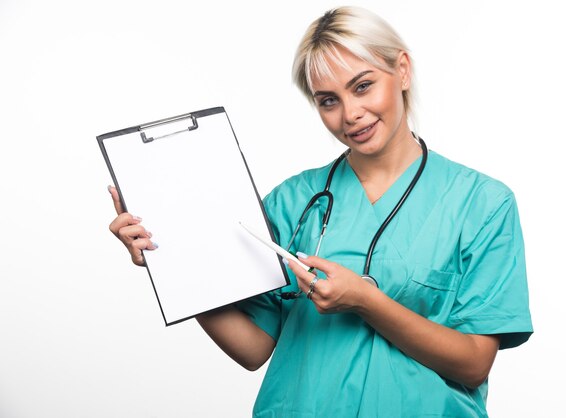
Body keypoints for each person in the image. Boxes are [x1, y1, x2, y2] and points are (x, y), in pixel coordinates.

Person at [108, 6, 532, 417]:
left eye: (363, 86)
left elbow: (474, 363)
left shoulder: (483, 204)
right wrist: (171, 264)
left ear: (401, 70)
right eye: (328, 100)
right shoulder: (291, 202)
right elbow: (253, 349)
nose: (350, 114)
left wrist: (367, 301)